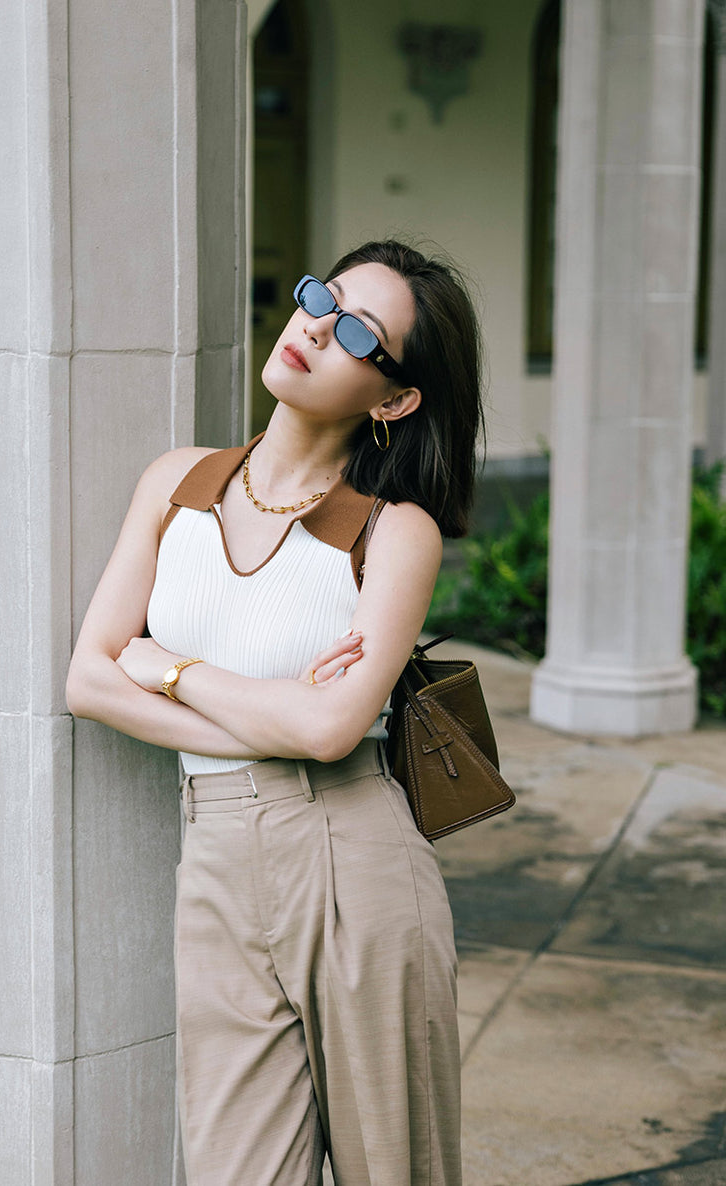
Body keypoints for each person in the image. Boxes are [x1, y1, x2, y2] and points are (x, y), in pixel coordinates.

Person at [66, 239, 484, 1186]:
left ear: (394, 398)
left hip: (353, 858)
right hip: (213, 857)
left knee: (397, 1170)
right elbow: (89, 682)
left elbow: (331, 732)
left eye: (356, 333)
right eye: (319, 298)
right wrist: (276, 709)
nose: (313, 327)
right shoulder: (177, 482)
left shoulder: (394, 530)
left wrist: (165, 665)